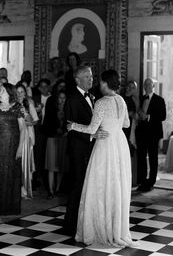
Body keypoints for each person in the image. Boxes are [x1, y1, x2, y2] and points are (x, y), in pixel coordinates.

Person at [67, 69, 134, 246]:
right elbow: (126, 123)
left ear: (105, 83)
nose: (99, 84)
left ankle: (100, 228)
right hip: (119, 144)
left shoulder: (102, 103)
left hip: (105, 146)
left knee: (100, 187)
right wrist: (113, 126)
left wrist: (73, 125)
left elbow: (90, 129)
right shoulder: (121, 100)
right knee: (117, 185)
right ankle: (116, 230)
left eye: (101, 81)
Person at [63, 65, 108, 236]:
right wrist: (92, 135)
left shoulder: (91, 96)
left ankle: (83, 223)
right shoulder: (72, 98)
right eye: (87, 76)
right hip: (78, 150)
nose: (91, 79)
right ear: (77, 79)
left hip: (88, 148)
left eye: (91, 76)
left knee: (86, 187)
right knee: (77, 186)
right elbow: (69, 128)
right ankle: (71, 226)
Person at [0, 83, 25, 215]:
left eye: (2, 91)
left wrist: (20, 149)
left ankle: (9, 207)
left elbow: (23, 129)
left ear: (8, 92)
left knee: (10, 174)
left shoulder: (17, 107)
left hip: (12, 146)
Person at [136, 78, 166, 192]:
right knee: (141, 158)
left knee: (153, 158)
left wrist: (148, 117)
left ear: (153, 86)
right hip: (142, 134)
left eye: (149, 84)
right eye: (145, 84)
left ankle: (151, 182)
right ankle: (142, 181)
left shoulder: (159, 100)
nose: (147, 86)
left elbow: (163, 116)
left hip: (154, 133)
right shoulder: (141, 98)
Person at [43, 84, 68, 199]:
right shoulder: (51, 108)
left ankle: (57, 188)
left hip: (63, 138)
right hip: (52, 138)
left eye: (64, 97)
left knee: (61, 165)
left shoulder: (68, 110)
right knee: (51, 165)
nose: (62, 100)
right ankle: (51, 190)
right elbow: (47, 123)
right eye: (60, 97)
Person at [16, 83, 38, 198]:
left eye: (22, 92)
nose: (19, 94)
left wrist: (26, 121)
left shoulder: (28, 104)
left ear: (25, 93)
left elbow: (35, 120)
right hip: (15, 136)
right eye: (18, 92)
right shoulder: (12, 104)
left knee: (25, 163)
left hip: (27, 136)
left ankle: (24, 189)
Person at [122, 80, 139, 154]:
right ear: (126, 87)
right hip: (123, 126)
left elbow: (137, 111)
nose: (130, 89)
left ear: (135, 90)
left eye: (133, 87)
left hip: (132, 125)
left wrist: (136, 115)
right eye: (129, 86)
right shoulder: (120, 98)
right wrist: (129, 114)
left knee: (131, 149)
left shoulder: (135, 99)